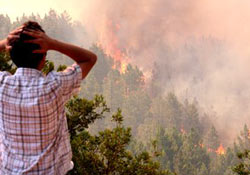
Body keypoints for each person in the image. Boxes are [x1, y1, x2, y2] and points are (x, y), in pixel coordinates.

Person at [0, 21, 97, 174]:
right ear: (43, 57)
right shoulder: (54, 87)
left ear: (11, 54)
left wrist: (5, 43)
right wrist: (53, 43)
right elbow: (89, 59)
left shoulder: (2, 86)